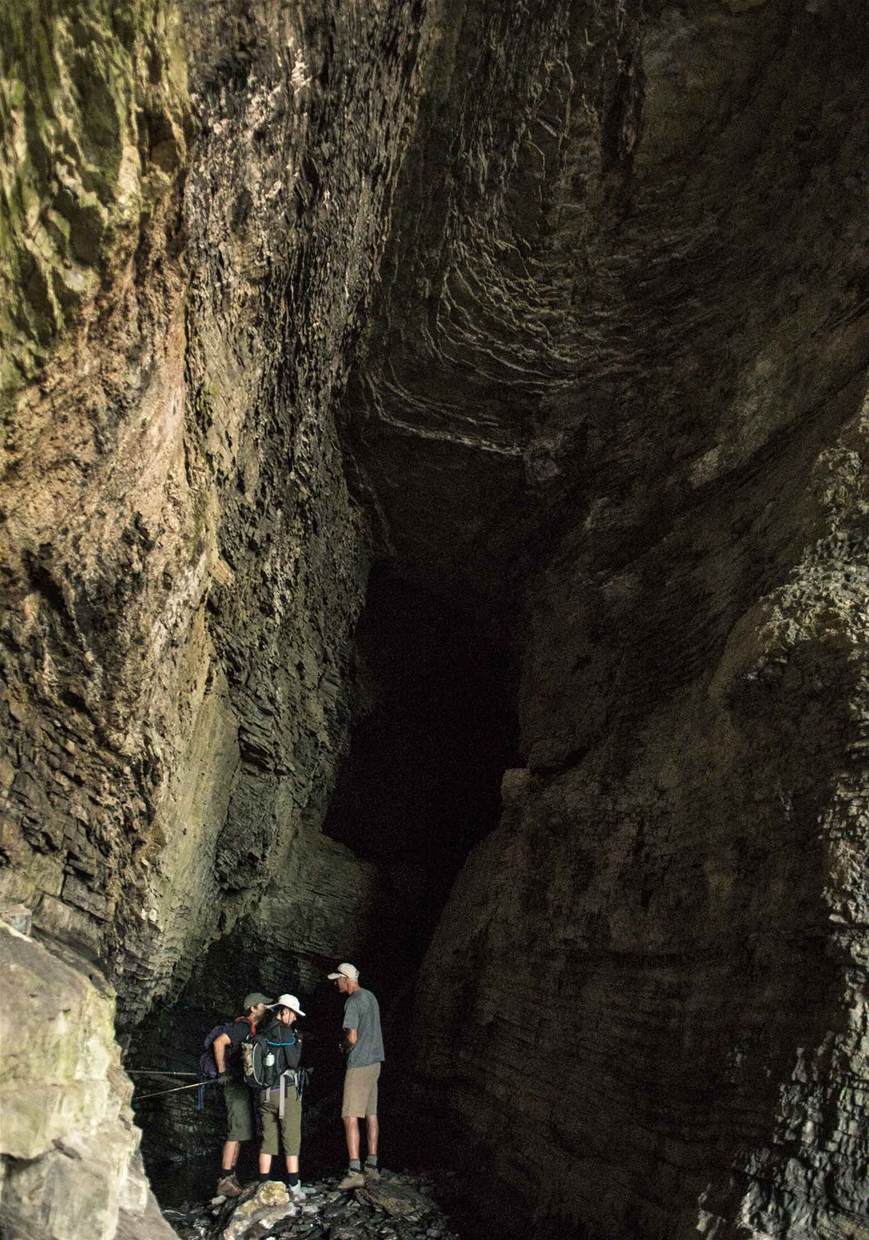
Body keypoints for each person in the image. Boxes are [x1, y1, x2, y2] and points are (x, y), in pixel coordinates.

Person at [327, 962, 385, 1190]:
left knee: (349, 1116)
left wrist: (342, 1047)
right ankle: (372, 1166)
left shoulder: (352, 1002)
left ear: (346, 979)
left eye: (337, 980)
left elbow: (351, 1037)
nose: (335, 984)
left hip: (359, 1064)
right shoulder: (370, 997)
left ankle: (354, 1171)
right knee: (371, 1114)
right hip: (375, 1063)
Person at [213, 992, 273, 1196]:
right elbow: (219, 1042)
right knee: (235, 1130)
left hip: (242, 1085)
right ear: (253, 1008)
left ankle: (231, 1177)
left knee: (241, 1132)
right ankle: (224, 1179)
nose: (266, 1007)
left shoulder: (252, 1029)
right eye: (263, 1004)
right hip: (234, 1084)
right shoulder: (242, 1027)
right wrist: (222, 1072)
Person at [256, 994, 308, 1203]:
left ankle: (263, 1183)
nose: (294, 1018)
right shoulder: (285, 1031)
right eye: (293, 1014)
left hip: (264, 1094)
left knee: (268, 1140)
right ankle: (295, 1187)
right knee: (291, 1138)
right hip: (284, 1093)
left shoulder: (263, 1029)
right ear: (284, 1011)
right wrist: (300, 1041)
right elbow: (293, 1062)